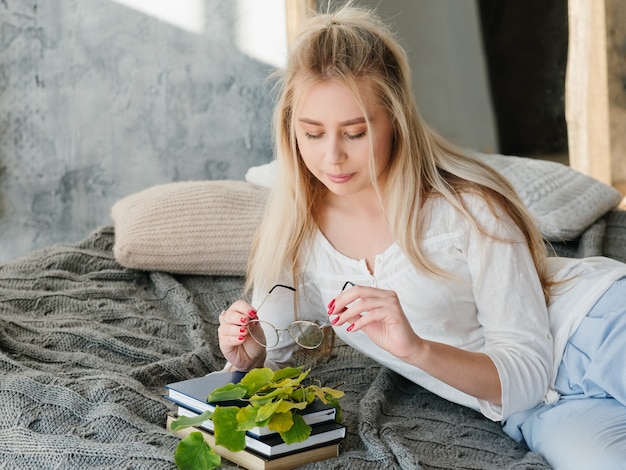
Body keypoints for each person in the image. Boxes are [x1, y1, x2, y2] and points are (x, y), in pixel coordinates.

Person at [218, 4, 626, 468]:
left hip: (598, 329)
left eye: (354, 132)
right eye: (312, 134)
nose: (332, 156)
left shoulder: (467, 210)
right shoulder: (295, 238)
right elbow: (279, 364)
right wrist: (244, 356)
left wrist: (417, 350)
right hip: (534, 410)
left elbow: (527, 366)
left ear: (395, 119)